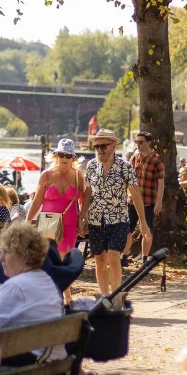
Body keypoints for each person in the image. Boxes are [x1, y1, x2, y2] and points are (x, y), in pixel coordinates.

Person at [80, 128, 148, 295]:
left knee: (113, 255)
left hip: (118, 219)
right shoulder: (91, 165)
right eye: (97, 147)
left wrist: (144, 224)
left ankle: (115, 295)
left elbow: (136, 195)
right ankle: (104, 297)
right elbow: (88, 192)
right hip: (96, 219)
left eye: (104, 146)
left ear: (114, 146)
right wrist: (82, 216)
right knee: (99, 259)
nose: (100, 150)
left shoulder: (125, 167)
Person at [25, 138, 85, 303]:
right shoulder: (46, 175)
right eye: (61, 154)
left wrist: (83, 218)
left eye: (68, 155)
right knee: (48, 259)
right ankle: (54, 296)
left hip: (70, 224)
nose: (64, 158)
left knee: (64, 259)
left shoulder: (79, 176)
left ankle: (66, 298)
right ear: (56, 155)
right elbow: (37, 202)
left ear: (73, 157)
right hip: (48, 223)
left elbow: (84, 199)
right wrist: (27, 221)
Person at [124, 132, 164, 261]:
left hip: (148, 201)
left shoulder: (156, 160)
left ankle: (144, 259)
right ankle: (124, 256)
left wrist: (159, 202)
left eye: (141, 142)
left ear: (149, 143)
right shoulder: (134, 158)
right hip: (132, 200)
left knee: (147, 229)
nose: (138, 145)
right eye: (137, 142)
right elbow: (127, 179)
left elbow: (161, 182)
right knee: (127, 229)